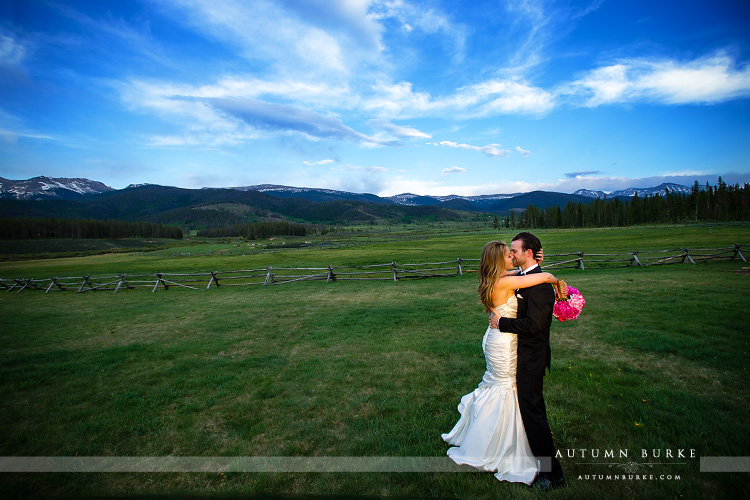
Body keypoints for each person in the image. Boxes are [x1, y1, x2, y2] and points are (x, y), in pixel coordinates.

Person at [442, 239, 566, 486]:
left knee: (501, 387)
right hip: (503, 339)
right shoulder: (506, 281)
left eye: (514, 252)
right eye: (508, 255)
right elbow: (541, 277)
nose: (512, 256)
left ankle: (495, 439)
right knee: (506, 389)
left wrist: (534, 261)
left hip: (495, 338)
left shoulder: (494, 279)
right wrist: (553, 278)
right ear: (499, 261)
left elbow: (521, 273)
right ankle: (503, 445)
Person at [489, 232, 566, 491]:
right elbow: (515, 276)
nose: (511, 254)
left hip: (531, 359)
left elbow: (534, 325)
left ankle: (551, 474)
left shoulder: (542, 287)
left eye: (515, 250)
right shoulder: (522, 277)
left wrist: (502, 323)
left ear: (528, 253)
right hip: (516, 355)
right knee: (530, 413)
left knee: (534, 415)